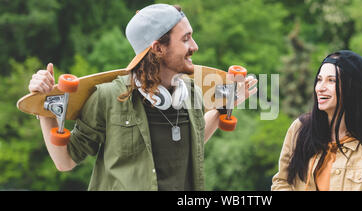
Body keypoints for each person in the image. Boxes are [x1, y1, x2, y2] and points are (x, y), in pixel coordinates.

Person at [28, 4, 257, 191]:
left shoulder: (192, 93)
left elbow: (194, 140)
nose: (194, 46)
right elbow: (65, 161)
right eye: (186, 39)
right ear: (158, 48)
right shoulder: (108, 97)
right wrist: (44, 106)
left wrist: (224, 106)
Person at [271, 50, 362, 191]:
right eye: (319, 79)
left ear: (352, 89)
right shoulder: (299, 129)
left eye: (331, 80)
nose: (320, 88)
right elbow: (281, 182)